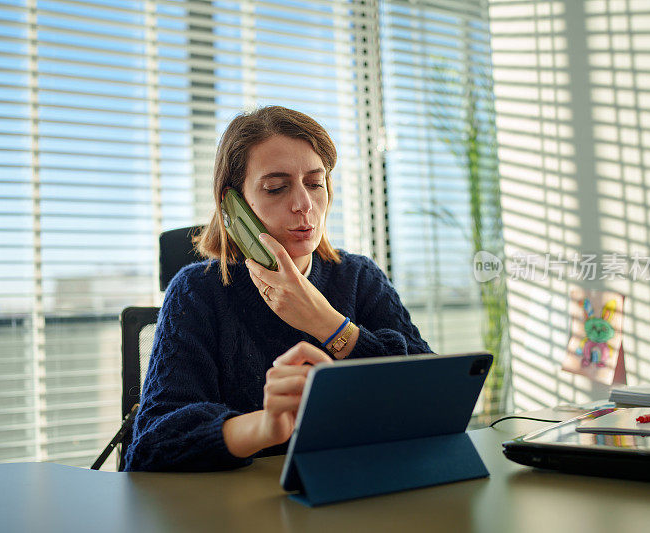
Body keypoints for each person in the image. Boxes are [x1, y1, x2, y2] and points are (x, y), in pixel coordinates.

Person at [124, 106, 432, 471]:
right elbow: (151, 447)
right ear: (234, 205)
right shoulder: (196, 291)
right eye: (275, 187)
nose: (304, 205)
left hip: (354, 493)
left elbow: (435, 398)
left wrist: (329, 325)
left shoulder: (360, 277)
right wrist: (266, 426)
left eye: (315, 183)